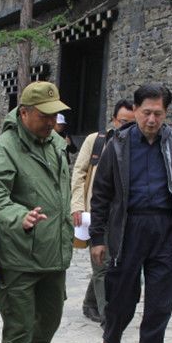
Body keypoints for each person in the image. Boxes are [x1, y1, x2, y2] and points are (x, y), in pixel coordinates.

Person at [90, 84, 172, 343]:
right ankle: (111, 341)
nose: (152, 120)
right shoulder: (118, 145)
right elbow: (101, 193)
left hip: (164, 231)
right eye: (146, 113)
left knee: (159, 308)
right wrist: (98, 237)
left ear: (166, 114)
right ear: (135, 110)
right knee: (121, 301)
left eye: (158, 114)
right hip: (128, 230)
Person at [0, 81, 72, 343]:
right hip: (19, 254)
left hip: (54, 252)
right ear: (24, 113)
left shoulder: (57, 144)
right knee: (18, 328)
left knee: (50, 320)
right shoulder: (5, 147)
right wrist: (20, 216)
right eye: (44, 115)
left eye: (54, 115)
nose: (51, 121)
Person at [70, 99, 135, 324]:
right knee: (102, 266)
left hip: (122, 216)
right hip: (95, 213)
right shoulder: (96, 141)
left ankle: (90, 303)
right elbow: (79, 173)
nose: (127, 127)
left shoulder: (136, 146)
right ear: (114, 120)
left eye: (132, 123)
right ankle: (109, 316)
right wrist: (77, 206)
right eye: (123, 122)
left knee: (110, 263)